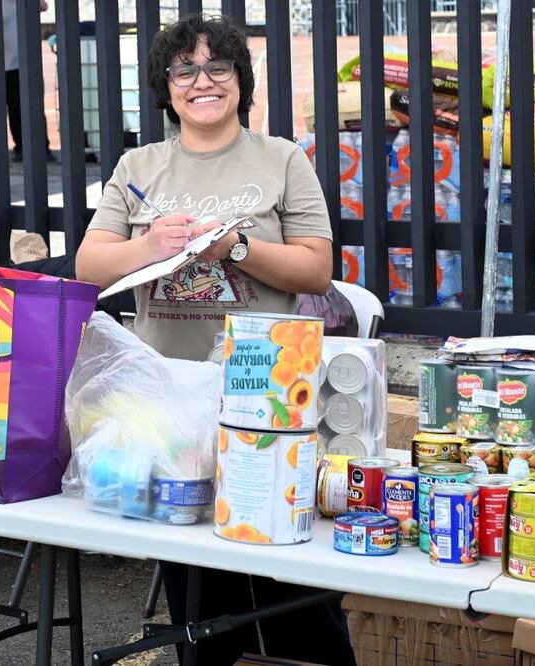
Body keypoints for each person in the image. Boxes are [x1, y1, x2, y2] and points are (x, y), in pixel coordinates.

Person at [74, 13, 352, 666]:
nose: (202, 81)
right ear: (165, 87)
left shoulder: (281, 158)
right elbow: (90, 264)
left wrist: (238, 246)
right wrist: (149, 245)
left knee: (296, 595)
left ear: (240, 79)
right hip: (166, 413)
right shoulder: (138, 166)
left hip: (272, 402)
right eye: (184, 69)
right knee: (201, 608)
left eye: (218, 67)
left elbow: (316, 267)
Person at [3, 0, 53, 162]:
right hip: (5, 63)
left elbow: (43, 6)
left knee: (34, 107)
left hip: (27, 63)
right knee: (14, 108)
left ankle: (41, 148)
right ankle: (21, 148)